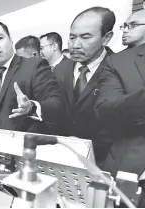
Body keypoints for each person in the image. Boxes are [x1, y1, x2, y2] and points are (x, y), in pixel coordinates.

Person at [53, 7, 115, 167]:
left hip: (100, 165)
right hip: (59, 158)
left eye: (85, 37)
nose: (75, 45)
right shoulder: (60, 69)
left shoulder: (120, 70)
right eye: (72, 37)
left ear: (106, 38)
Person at [95, 10, 145, 177]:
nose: (125, 30)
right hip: (131, 160)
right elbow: (106, 107)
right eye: (124, 26)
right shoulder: (117, 61)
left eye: (133, 25)